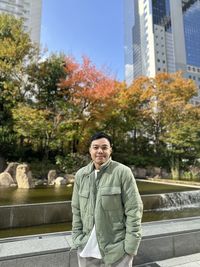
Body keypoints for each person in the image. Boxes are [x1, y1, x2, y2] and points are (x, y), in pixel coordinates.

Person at [71, 132, 143, 267]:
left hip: (117, 250)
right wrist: (77, 238)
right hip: (86, 248)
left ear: (110, 150)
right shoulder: (81, 175)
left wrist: (130, 248)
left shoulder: (123, 172)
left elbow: (134, 210)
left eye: (104, 147)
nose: (100, 151)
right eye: (95, 147)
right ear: (90, 150)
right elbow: (76, 209)